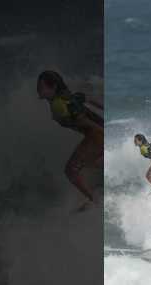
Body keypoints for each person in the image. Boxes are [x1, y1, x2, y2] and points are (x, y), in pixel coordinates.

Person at [37, 70, 103, 206]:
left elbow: (84, 121)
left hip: (96, 134)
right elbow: (88, 100)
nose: (38, 89)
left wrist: (102, 132)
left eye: (42, 86)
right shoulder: (67, 97)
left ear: (53, 87)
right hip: (98, 132)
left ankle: (95, 201)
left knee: (70, 171)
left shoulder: (58, 106)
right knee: (90, 163)